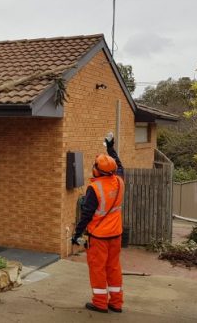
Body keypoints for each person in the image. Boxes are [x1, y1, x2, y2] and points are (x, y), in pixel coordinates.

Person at [72, 132, 125, 313]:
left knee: (98, 268)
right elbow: (119, 165)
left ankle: (100, 303)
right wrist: (111, 147)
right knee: (114, 267)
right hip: (116, 234)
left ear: (98, 170)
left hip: (99, 236)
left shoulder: (95, 188)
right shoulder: (119, 180)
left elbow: (86, 214)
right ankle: (116, 303)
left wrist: (77, 234)